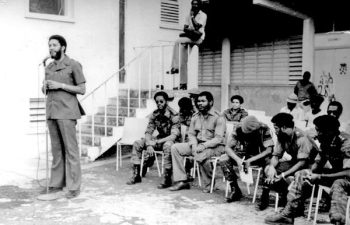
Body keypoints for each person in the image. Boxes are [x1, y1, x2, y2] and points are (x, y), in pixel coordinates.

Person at [265, 115, 350, 225]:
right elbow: (317, 166)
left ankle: (338, 221)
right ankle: (288, 214)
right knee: (301, 173)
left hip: (346, 178)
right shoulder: (326, 141)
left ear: (329, 131)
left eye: (319, 130)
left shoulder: (346, 143)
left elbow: (348, 173)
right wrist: (308, 175)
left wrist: (320, 176)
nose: (316, 133)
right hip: (335, 174)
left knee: (338, 184)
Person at [41, 35, 86, 199]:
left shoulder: (73, 64)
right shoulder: (49, 67)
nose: (51, 48)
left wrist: (60, 85)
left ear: (63, 47)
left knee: (71, 151)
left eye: (54, 45)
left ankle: (74, 187)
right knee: (56, 151)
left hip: (67, 112)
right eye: (49, 45)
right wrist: (44, 86)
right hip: (52, 112)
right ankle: (56, 183)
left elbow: (82, 89)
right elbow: (44, 91)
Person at [257, 113, 318, 211]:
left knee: (285, 176)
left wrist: (283, 175)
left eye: (276, 128)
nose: (275, 131)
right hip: (295, 162)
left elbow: (302, 163)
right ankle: (265, 198)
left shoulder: (302, 137)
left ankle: (291, 201)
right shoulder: (282, 136)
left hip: (310, 166)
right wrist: (272, 168)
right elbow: (276, 156)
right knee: (268, 168)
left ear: (284, 127)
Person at [169, 91, 226, 192]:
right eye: (198, 101)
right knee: (175, 148)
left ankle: (209, 184)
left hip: (216, 147)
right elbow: (191, 134)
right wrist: (194, 145)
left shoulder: (219, 117)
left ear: (211, 102)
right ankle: (182, 181)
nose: (199, 103)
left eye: (203, 101)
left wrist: (203, 146)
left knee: (201, 154)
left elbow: (218, 138)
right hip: (198, 144)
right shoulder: (195, 116)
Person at [126, 91, 180, 190]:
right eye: (157, 102)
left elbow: (173, 136)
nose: (159, 104)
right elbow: (148, 132)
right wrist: (148, 144)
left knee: (168, 145)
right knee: (137, 143)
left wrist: (154, 142)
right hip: (159, 139)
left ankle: (167, 179)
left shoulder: (174, 115)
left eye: (161, 101)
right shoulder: (155, 114)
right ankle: (137, 175)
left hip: (171, 141)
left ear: (166, 101)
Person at [219, 116, 274, 203]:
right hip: (243, 154)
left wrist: (251, 160)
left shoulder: (264, 128)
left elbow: (269, 150)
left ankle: (265, 193)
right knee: (223, 159)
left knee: (269, 162)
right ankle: (235, 189)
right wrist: (237, 159)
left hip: (260, 155)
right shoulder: (238, 128)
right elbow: (228, 148)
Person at [168, 0, 207, 90]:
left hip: (198, 39)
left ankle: (175, 66)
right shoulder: (188, 15)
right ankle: (183, 83)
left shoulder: (203, 15)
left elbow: (197, 27)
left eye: (196, 4)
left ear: (199, 5)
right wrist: (190, 30)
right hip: (190, 38)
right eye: (193, 4)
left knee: (178, 41)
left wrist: (192, 17)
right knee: (183, 61)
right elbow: (185, 28)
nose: (194, 6)